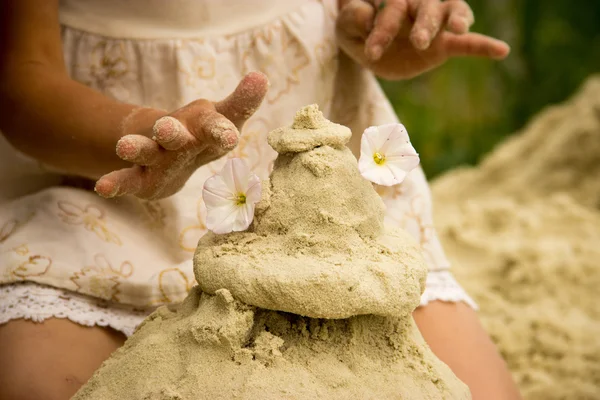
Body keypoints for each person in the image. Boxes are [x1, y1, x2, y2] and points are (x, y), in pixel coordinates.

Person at [0, 0, 521, 399]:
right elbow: (22, 78)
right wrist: (134, 133)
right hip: (104, 196)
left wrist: (382, 22)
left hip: (334, 210)